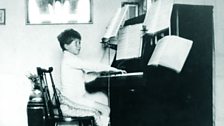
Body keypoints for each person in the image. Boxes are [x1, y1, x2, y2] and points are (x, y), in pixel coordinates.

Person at [57, 28, 125, 126]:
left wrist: (99, 74)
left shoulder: (71, 59)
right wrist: (113, 69)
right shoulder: (69, 59)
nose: (79, 46)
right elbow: (92, 66)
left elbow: (85, 77)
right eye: (75, 43)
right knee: (105, 110)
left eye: (80, 42)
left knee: (104, 109)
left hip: (72, 99)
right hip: (71, 102)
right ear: (66, 46)